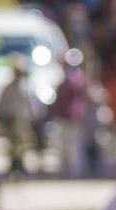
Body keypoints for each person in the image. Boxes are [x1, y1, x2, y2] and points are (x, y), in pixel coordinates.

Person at [0, 55, 38, 177]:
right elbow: (2, 104)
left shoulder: (27, 88)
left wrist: (33, 117)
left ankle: (21, 166)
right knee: (12, 146)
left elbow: (32, 105)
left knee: (23, 146)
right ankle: (14, 166)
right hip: (11, 121)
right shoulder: (8, 88)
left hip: (23, 121)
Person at [50, 49, 89, 177]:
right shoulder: (79, 77)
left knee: (72, 144)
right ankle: (70, 169)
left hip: (70, 116)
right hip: (70, 116)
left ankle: (74, 170)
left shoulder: (73, 78)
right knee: (67, 144)